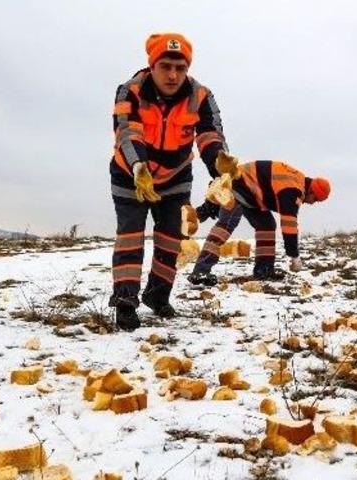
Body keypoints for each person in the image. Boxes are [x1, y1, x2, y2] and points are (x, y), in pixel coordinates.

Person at [109, 33, 228, 331]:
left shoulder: (201, 96)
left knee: (170, 239)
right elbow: (126, 131)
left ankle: (157, 296)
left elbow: (210, 133)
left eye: (180, 67)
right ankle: (125, 301)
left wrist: (220, 164)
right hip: (131, 173)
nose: (173, 75)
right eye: (166, 66)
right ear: (152, 66)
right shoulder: (130, 90)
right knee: (131, 236)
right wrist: (139, 166)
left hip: (175, 177)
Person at [189, 158, 330, 286]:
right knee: (226, 223)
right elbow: (289, 225)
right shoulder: (293, 190)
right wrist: (294, 256)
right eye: (315, 200)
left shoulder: (297, 182)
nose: (312, 203)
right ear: (312, 191)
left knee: (267, 224)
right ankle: (200, 271)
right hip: (236, 187)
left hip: (251, 196)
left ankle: (264, 271)